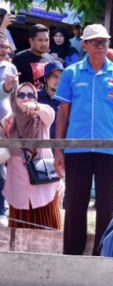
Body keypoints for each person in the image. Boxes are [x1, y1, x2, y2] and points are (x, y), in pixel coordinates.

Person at [53, 24, 113, 256]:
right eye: (95, 42)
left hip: (109, 150)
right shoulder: (71, 73)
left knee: (107, 206)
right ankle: (71, 256)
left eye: (104, 42)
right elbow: (63, 113)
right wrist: (59, 151)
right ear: (85, 45)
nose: (100, 46)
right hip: (76, 149)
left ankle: (103, 256)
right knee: (75, 205)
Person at [0, 82, 61, 230]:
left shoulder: (42, 117)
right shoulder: (8, 122)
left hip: (42, 182)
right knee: (19, 230)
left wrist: (37, 107)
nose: (25, 98)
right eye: (21, 95)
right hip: (18, 182)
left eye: (30, 95)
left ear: (35, 97)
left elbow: (49, 114)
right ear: (15, 97)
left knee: (46, 226)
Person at [0, 33, 18, 223]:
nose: (4, 50)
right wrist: (4, 86)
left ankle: (1, 210)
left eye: (6, 46)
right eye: (0, 46)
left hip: (4, 126)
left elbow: (15, 98)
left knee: (2, 168)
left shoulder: (10, 67)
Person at [36, 60, 62, 140]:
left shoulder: (67, 100)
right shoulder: (35, 97)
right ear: (45, 79)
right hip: (38, 147)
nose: (58, 81)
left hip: (61, 147)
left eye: (61, 77)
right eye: (55, 76)